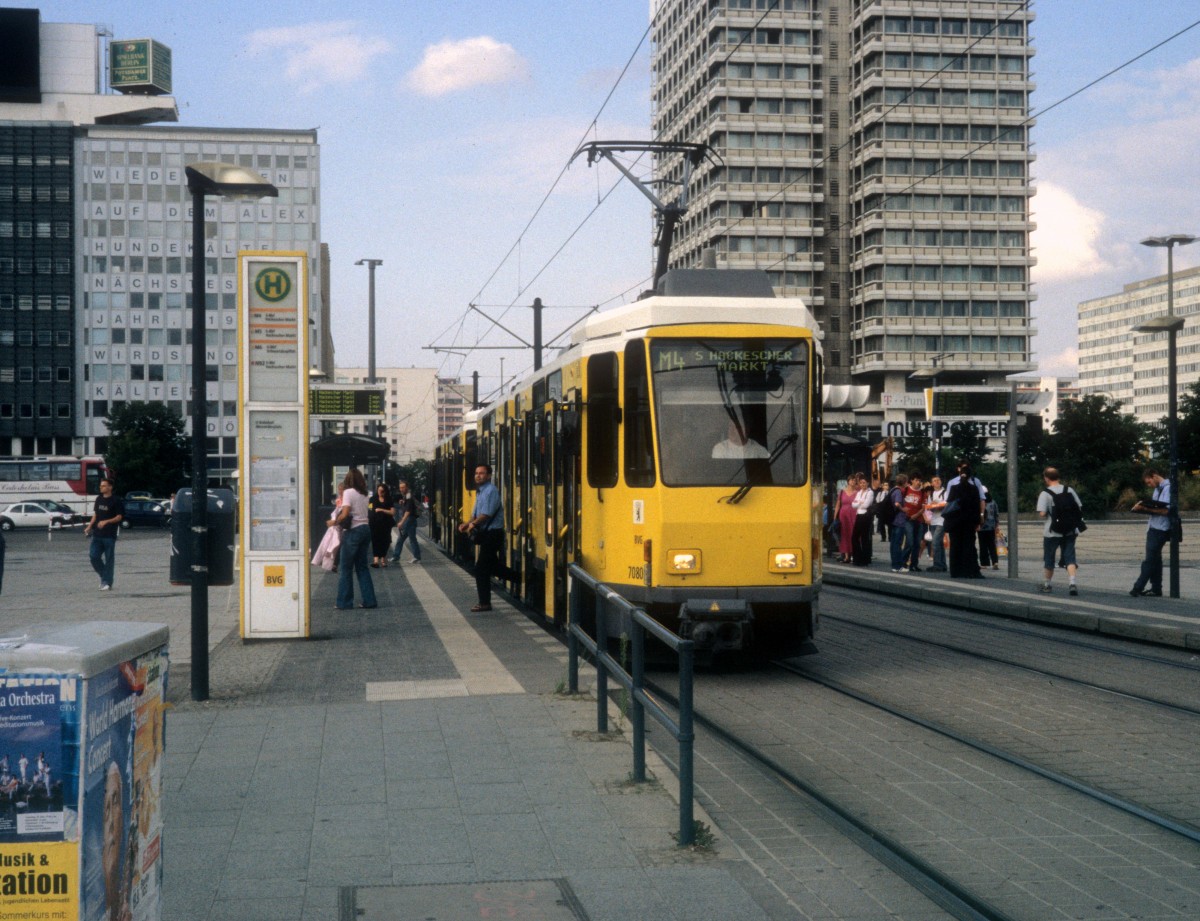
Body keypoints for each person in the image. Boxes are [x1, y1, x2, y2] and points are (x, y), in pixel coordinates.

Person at [458, 464, 511, 611]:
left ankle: (485, 603)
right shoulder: (480, 492)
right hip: (487, 534)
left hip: (493, 534)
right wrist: (466, 524)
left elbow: (486, 514)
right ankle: (524, 579)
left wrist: (473, 524)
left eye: (481, 473)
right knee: (492, 567)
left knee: (481, 569)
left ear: (489, 476)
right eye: (476, 473)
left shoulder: (491, 491)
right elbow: (475, 514)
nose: (478, 476)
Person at [331, 468, 377, 610]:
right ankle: (369, 601)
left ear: (348, 480)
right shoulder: (365, 494)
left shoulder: (348, 493)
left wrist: (334, 522)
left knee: (345, 568)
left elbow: (345, 514)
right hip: (365, 529)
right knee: (362, 567)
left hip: (353, 531)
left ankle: (344, 602)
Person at [1036, 468, 1081, 595]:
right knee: (1070, 557)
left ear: (1046, 478)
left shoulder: (1045, 493)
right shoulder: (1069, 490)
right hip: (1070, 530)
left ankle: (1047, 585)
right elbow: (1079, 507)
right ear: (1058, 476)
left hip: (1052, 531)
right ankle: (1072, 583)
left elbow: (1042, 513)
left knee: (1049, 558)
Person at [1130, 466, 1171, 597]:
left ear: (1154, 476)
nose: (1149, 485)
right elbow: (1156, 508)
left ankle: (1138, 587)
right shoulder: (1157, 489)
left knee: (1150, 560)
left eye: (1149, 482)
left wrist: (1144, 509)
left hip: (1161, 528)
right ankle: (1156, 588)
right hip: (1153, 527)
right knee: (1155, 560)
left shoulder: (1168, 488)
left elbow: (1166, 510)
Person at [944, 461, 986, 579]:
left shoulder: (953, 487)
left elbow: (949, 504)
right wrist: (979, 520)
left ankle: (955, 571)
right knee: (969, 545)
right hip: (968, 522)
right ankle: (969, 571)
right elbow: (976, 506)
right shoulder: (973, 489)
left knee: (955, 546)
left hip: (955, 522)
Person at [84, 478, 124, 591]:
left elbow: (119, 516)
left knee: (109, 559)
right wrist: (89, 526)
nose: (101, 487)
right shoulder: (99, 499)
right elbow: (96, 514)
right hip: (97, 534)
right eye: (101, 486)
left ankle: (107, 582)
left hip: (109, 535)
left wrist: (106, 521)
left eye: (104, 486)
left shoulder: (116, 500)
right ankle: (104, 577)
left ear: (110, 487)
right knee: (93, 556)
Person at [390, 480, 422, 564]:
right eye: (400, 487)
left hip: (409, 520)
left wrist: (401, 522)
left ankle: (416, 557)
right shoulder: (406, 497)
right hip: (409, 520)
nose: (401, 489)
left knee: (411, 539)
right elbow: (407, 507)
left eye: (403, 487)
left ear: (407, 487)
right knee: (403, 539)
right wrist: (402, 502)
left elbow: (408, 511)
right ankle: (396, 556)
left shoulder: (408, 496)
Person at [901, 473, 927, 572]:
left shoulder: (922, 492)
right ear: (911, 480)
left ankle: (914, 564)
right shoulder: (906, 490)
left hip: (918, 520)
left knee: (917, 543)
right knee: (910, 542)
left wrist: (916, 515)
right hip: (907, 519)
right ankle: (903, 562)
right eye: (916, 480)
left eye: (919, 480)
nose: (918, 482)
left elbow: (924, 507)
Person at [850, 473, 875, 566]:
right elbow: (853, 505)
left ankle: (865, 559)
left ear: (868, 483)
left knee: (864, 538)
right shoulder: (859, 492)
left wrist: (859, 503)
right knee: (854, 537)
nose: (862, 484)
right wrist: (860, 502)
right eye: (861, 483)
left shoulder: (870, 492)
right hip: (859, 515)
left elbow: (866, 505)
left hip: (865, 516)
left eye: (864, 483)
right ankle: (858, 557)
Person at [886, 474, 910, 572]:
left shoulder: (892, 490)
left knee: (893, 543)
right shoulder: (899, 492)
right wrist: (903, 509)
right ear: (904, 482)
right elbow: (897, 503)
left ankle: (894, 565)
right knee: (898, 543)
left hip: (892, 520)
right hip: (899, 520)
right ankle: (898, 566)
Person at [368, 483, 395, 568]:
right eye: (379, 490)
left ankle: (383, 559)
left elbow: (393, 512)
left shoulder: (389, 499)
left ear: (385, 491)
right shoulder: (372, 499)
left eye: (382, 491)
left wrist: (381, 510)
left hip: (386, 524)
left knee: (385, 541)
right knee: (375, 541)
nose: (380, 492)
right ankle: (376, 560)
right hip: (375, 523)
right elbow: (370, 510)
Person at [926, 475, 948, 572]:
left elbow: (946, 504)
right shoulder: (931, 494)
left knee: (935, 542)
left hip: (942, 520)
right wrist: (933, 505)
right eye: (934, 480)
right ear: (932, 483)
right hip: (934, 520)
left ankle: (937, 564)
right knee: (938, 543)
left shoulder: (945, 492)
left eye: (938, 480)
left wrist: (937, 504)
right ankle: (942, 564)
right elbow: (929, 506)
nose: (937, 482)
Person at [834, 478, 857, 563]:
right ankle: (846, 555)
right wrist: (835, 516)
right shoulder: (842, 492)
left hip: (854, 515)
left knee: (853, 534)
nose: (853, 481)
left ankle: (853, 554)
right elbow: (838, 504)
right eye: (851, 480)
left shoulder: (857, 493)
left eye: (854, 480)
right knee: (844, 534)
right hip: (843, 515)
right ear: (848, 481)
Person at [978, 487, 1001, 572]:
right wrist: (997, 525)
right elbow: (996, 514)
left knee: (983, 545)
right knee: (992, 545)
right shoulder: (993, 501)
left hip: (981, 526)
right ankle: (995, 562)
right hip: (991, 526)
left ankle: (984, 563)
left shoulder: (979, 501)